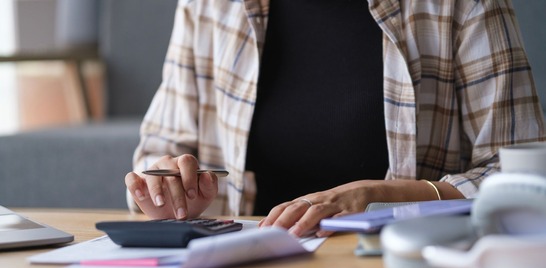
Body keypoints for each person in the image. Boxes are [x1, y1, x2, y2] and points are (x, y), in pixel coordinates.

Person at [125, 0, 545, 237]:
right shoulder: (209, 5)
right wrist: (172, 188)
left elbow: (527, 180)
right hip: (244, 260)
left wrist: (384, 197)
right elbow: (159, 149)